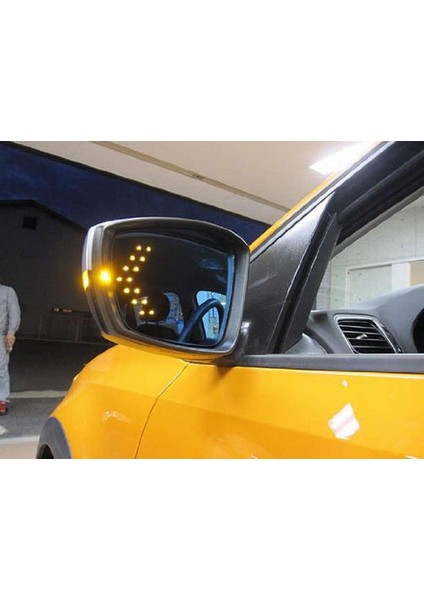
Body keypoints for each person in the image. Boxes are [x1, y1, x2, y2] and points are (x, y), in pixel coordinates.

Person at [0, 275, 21, 416]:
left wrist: (11, 332)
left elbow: (14, 313)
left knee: (1, 369)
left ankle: (2, 400)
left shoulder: (7, 292)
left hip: (1, 336)